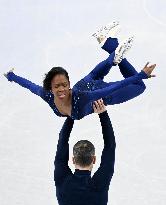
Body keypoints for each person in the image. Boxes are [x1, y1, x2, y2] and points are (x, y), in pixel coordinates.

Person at [4, 22, 156, 120]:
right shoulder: (47, 94)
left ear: (69, 83)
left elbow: (112, 88)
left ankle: (113, 51)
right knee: (109, 64)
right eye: (57, 86)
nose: (62, 89)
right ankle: (110, 47)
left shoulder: (80, 99)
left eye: (64, 84)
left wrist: (141, 75)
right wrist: (12, 76)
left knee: (140, 86)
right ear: (50, 88)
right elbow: (30, 86)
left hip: (99, 93)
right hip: (86, 83)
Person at [54, 99, 116, 205]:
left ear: (73, 160)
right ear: (94, 159)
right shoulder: (99, 184)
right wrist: (103, 114)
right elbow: (110, 146)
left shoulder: (63, 180)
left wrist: (72, 114)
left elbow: (62, 142)